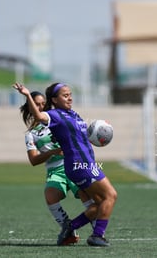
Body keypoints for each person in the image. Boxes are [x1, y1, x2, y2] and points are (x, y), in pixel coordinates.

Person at [14, 82, 117, 247]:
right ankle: (97, 235)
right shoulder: (54, 115)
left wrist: (98, 132)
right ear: (54, 100)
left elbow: (81, 137)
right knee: (110, 195)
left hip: (86, 164)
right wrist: (27, 95)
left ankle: (71, 227)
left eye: (70, 94)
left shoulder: (73, 114)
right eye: (65, 95)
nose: (69, 97)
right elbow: (40, 117)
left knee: (98, 204)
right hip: (80, 165)